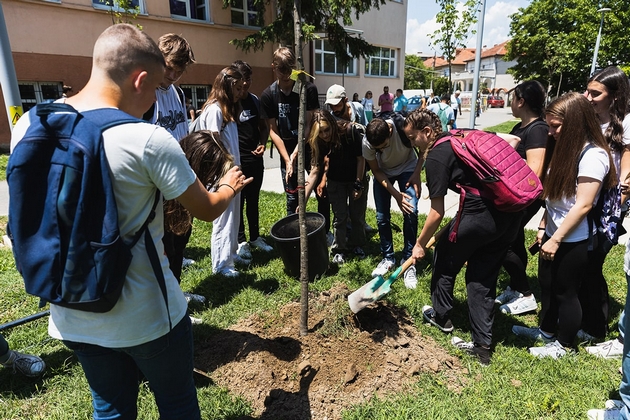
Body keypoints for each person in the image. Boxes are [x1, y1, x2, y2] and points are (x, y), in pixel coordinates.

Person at [10, 24, 250, 419]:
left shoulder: (31, 124)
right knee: (177, 405)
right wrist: (227, 185)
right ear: (140, 79)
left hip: (72, 310)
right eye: (157, 87)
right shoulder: (148, 140)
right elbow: (206, 209)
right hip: (147, 315)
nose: (156, 98)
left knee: (110, 410)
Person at [403, 109, 523, 365]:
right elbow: (513, 141)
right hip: (509, 213)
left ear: (426, 133)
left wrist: (419, 245)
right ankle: (482, 346)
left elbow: (435, 212)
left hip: (480, 213)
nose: (412, 144)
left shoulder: (436, 156)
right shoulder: (462, 135)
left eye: (413, 138)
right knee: (483, 274)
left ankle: (442, 316)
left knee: (445, 256)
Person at [512, 92, 616, 359]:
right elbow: (555, 196)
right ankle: (546, 333)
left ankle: (564, 346)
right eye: (549, 125)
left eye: (556, 126)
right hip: (552, 231)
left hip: (573, 238)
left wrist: (557, 238)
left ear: (575, 122)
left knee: (566, 292)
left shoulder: (593, 155)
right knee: (547, 285)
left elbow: (583, 205)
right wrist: (544, 227)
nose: (551, 131)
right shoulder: (564, 148)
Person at [583, 66, 630, 358]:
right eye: (587, 90)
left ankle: (595, 327)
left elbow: (626, 169)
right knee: (581, 260)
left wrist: (620, 200)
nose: (588, 97)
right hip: (587, 196)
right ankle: (582, 319)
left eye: (595, 93)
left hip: (608, 206)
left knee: (592, 263)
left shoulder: (625, 124)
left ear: (614, 96)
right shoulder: (591, 119)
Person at [495, 81, 548, 315]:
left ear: (521, 101)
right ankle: (515, 287)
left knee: (501, 241)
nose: (511, 103)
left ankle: (525, 294)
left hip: (527, 196)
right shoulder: (520, 128)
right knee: (514, 240)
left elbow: (534, 171)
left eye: (512, 98)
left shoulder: (537, 129)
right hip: (513, 194)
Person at [260, 47, 325, 225]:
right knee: (291, 195)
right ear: (274, 67)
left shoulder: (306, 89)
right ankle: (294, 230)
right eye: (281, 70)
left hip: (309, 144)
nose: (286, 74)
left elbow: (310, 123)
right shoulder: (268, 95)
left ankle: (324, 230)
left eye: (289, 70)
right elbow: (273, 131)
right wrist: (288, 160)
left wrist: (298, 151)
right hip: (285, 147)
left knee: (320, 188)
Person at [198, 66, 246, 277]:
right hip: (221, 174)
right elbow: (214, 144)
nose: (239, 93)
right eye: (236, 88)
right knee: (224, 218)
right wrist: (224, 170)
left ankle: (231, 254)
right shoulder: (214, 111)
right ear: (226, 86)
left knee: (234, 214)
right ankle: (221, 264)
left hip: (232, 172)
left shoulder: (228, 109)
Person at [364, 116, 422, 288]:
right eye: (378, 149)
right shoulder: (367, 143)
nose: (381, 150)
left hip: (408, 167)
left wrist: (417, 173)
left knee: (411, 211)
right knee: (382, 217)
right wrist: (397, 195)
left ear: (390, 131)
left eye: (384, 146)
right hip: (384, 173)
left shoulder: (404, 126)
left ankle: (408, 260)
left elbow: (425, 147)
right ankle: (388, 257)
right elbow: (376, 170)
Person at [303, 110, 367, 263]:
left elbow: (361, 159)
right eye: (320, 132)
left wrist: (358, 184)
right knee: (340, 216)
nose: (324, 135)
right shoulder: (318, 141)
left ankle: (357, 244)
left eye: (327, 130)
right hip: (336, 180)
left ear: (332, 124)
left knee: (357, 215)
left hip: (355, 178)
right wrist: (303, 198)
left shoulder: (349, 131)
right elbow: (315, 171)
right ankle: (339, 249)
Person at [231, 60, 274, 260]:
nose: (245, 84)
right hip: (236, 162)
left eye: (248, 79)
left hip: (255, 160)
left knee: (253, 200)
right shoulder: (229, 103)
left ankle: (256, 237)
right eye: (241, 80)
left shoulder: (255, 101)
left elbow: (264, 127)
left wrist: (263, 143)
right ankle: (241, 241)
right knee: (238, 202)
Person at [143, 33, 195, 142]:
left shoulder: (179, 94)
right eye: (169, 68)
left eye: (179, 71)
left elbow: (184, 132)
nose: (173, 76)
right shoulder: (146, 94)